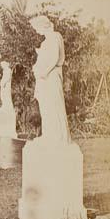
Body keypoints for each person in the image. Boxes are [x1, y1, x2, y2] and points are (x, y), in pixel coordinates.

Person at [29, 15, 70, 143]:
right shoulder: (46, 41)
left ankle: (57, 137)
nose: (36, 31)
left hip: (50, 77)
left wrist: (42, 72)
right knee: (46, 108)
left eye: (36, 28)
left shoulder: (55, 37)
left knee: (53, 106)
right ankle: (49, 135)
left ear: (43, 26)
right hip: (45, 78)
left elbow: (54, 58)